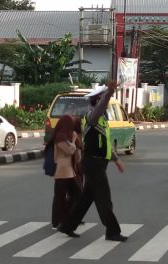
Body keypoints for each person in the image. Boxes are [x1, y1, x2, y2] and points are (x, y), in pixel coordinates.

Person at [58, 80, 128, 242]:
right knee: (104, 199)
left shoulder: (101, 120)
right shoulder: (92, 116)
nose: (106, 102)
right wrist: (109, 92)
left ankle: (67, 225)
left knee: (85, 199)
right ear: (97, 100)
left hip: (96, 163)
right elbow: (102, 105)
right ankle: (112, 232)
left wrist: (116, 160)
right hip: (93, 164)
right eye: (103, 99)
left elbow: (107, 143)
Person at [46, 114, 83, 230]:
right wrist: (73, 140)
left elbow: (77, 155)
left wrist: (75, 142)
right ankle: (57, 222)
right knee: (60, 197)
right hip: (62, 171)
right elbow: (69, 150)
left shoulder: (67, 136)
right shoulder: (60, 137)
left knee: (76, 195)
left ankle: (63, 218)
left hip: (69, 171)